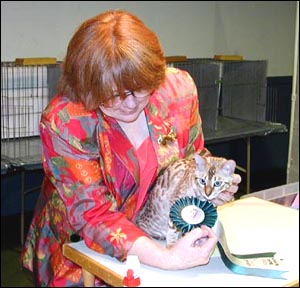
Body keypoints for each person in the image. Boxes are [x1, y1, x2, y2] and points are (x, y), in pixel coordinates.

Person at [21, 9, 241, 287]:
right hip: (84, 247)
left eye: (141, 90)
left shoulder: (179, 91)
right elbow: (93, 214)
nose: (130, 104)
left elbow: (192, 161)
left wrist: (212, 187)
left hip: (161, 233)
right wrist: (166, 258)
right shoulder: (66, 120)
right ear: (88, 87)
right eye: (112, 96)